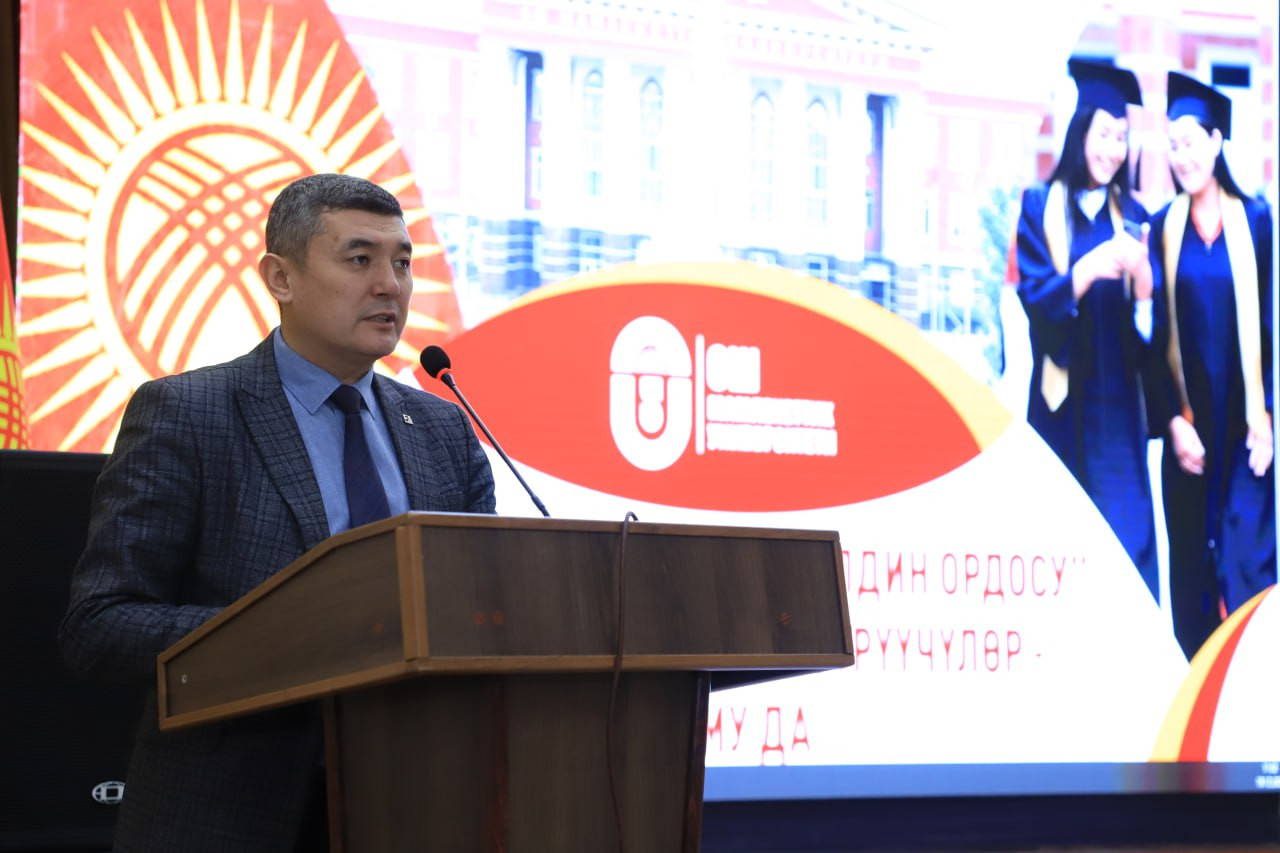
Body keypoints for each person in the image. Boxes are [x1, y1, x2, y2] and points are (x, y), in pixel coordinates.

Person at [58, 173, 496, 851]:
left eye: (403, 263)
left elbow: (485, 610)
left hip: (415, 802)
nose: (390, 285)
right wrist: (294, 632)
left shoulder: (444, 429)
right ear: (281, 278)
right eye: (360, 259)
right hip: (231, 813)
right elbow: (100, 625)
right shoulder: (189, 414)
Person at [1015, 58, 1161, 600]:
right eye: (1104, 134)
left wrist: (1143, 286)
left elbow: (1150, 336)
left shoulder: (1136, 216)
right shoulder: (1040, 206)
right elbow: (1035, 301)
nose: (1113, 149)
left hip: (1118, 416)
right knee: (1059, 544)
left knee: (1126, 548)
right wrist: (1086, 271)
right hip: (1061, 410)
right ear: (1080, 134)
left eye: (1122, 137)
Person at [1149, 72, 1275, 659]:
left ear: (1217, 142)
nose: (1182, 157)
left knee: (1251, 569)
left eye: (1192, 142)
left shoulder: (1257, 222)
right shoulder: (1162, 228)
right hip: (1192, 436)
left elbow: (1273, 324)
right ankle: (1198, 699)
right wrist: (1173, 423)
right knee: (1193, 582)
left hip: (1246, 433)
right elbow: (1151, 341)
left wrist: (1268, 415)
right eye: (1173, 145)